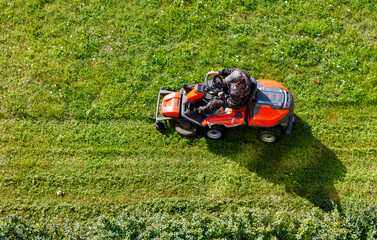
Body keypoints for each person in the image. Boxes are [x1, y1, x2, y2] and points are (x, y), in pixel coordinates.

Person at [185, 68, 252, 115]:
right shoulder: (238, 72)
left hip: (236, 100)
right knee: (215, 82)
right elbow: (229, 71)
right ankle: (194, 89)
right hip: (231, 89)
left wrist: (222, 96)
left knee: (216, 103)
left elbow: (232, 102)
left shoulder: (240, 91)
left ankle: (198, 110)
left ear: (237, 82)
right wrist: (218, 73)